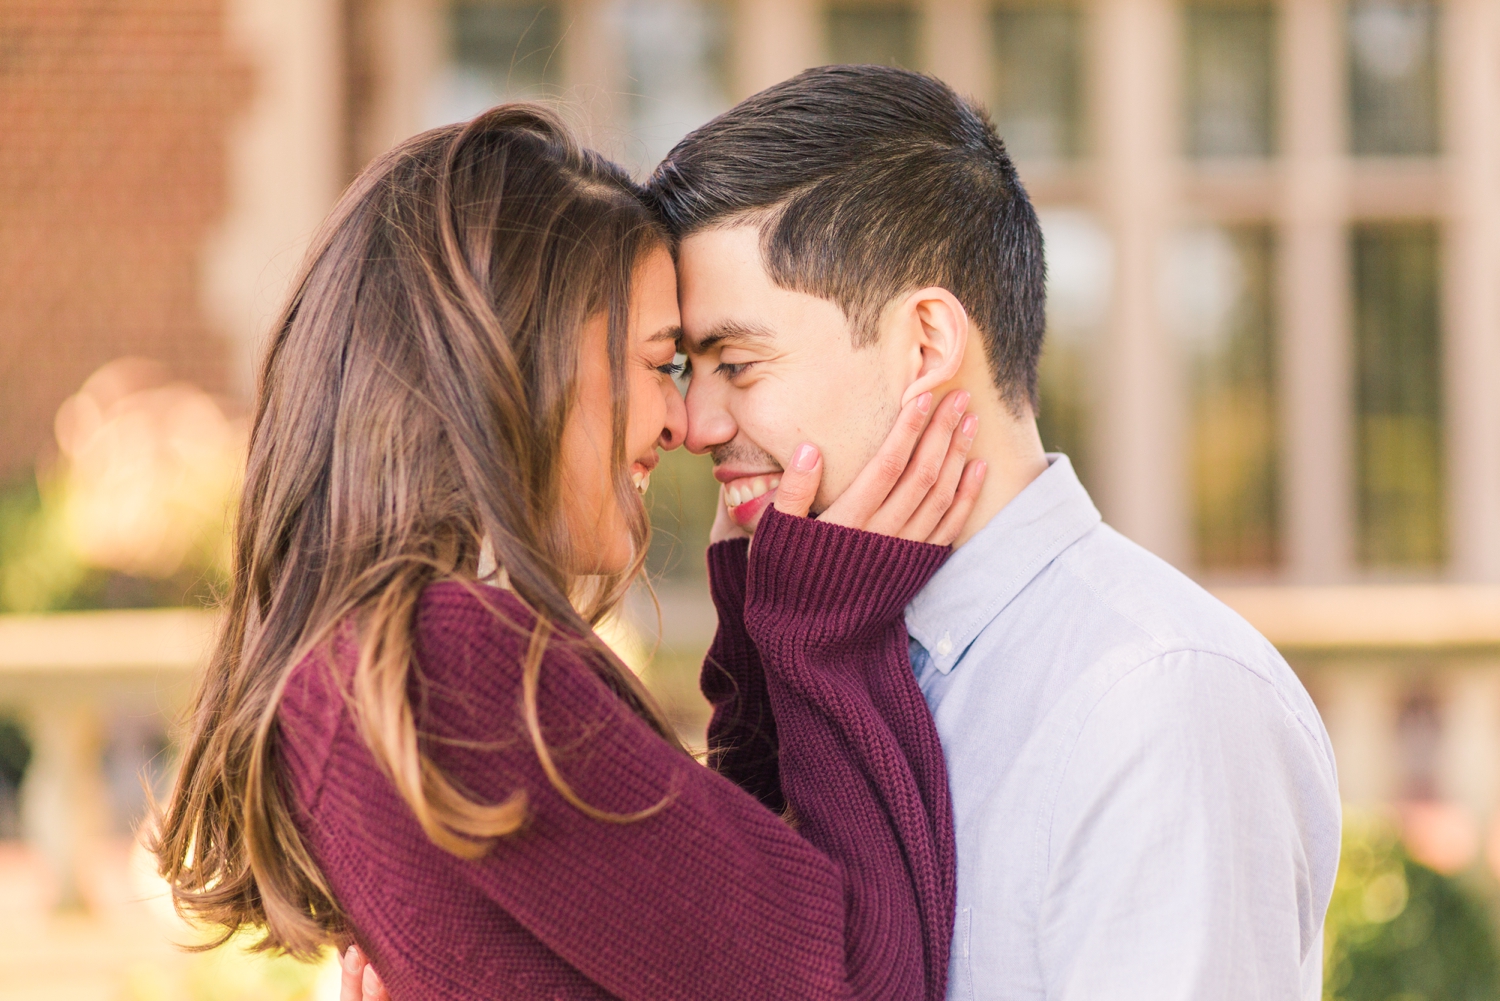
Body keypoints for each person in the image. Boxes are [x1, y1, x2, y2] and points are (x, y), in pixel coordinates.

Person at [152, 105, 987, 1000]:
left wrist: (754, 621)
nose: (682, 423)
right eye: (661, 361)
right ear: (525, 359)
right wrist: (824, 632)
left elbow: (719, 933)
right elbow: (862, 978)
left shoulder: (362, 666)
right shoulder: (446, 665)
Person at [639, 66, 1343, 999]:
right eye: (690, 369)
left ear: (927, 344)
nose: (696, 425)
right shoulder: (826, 660)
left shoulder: (1155, 700)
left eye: (737, 361)